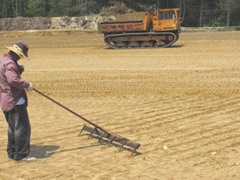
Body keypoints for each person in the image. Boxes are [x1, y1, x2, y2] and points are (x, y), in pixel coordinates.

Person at [0, 40, 36, 162]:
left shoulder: (3, 61)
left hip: (6, 99)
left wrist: (18, 70)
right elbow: (12, 80)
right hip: (15, 101)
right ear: (16, 54)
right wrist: (26, 84)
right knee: (22, 128)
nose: (20, 59)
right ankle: (21, 155)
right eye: (20, 56)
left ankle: (12, 152)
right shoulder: (10, 64)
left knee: (12, 128)